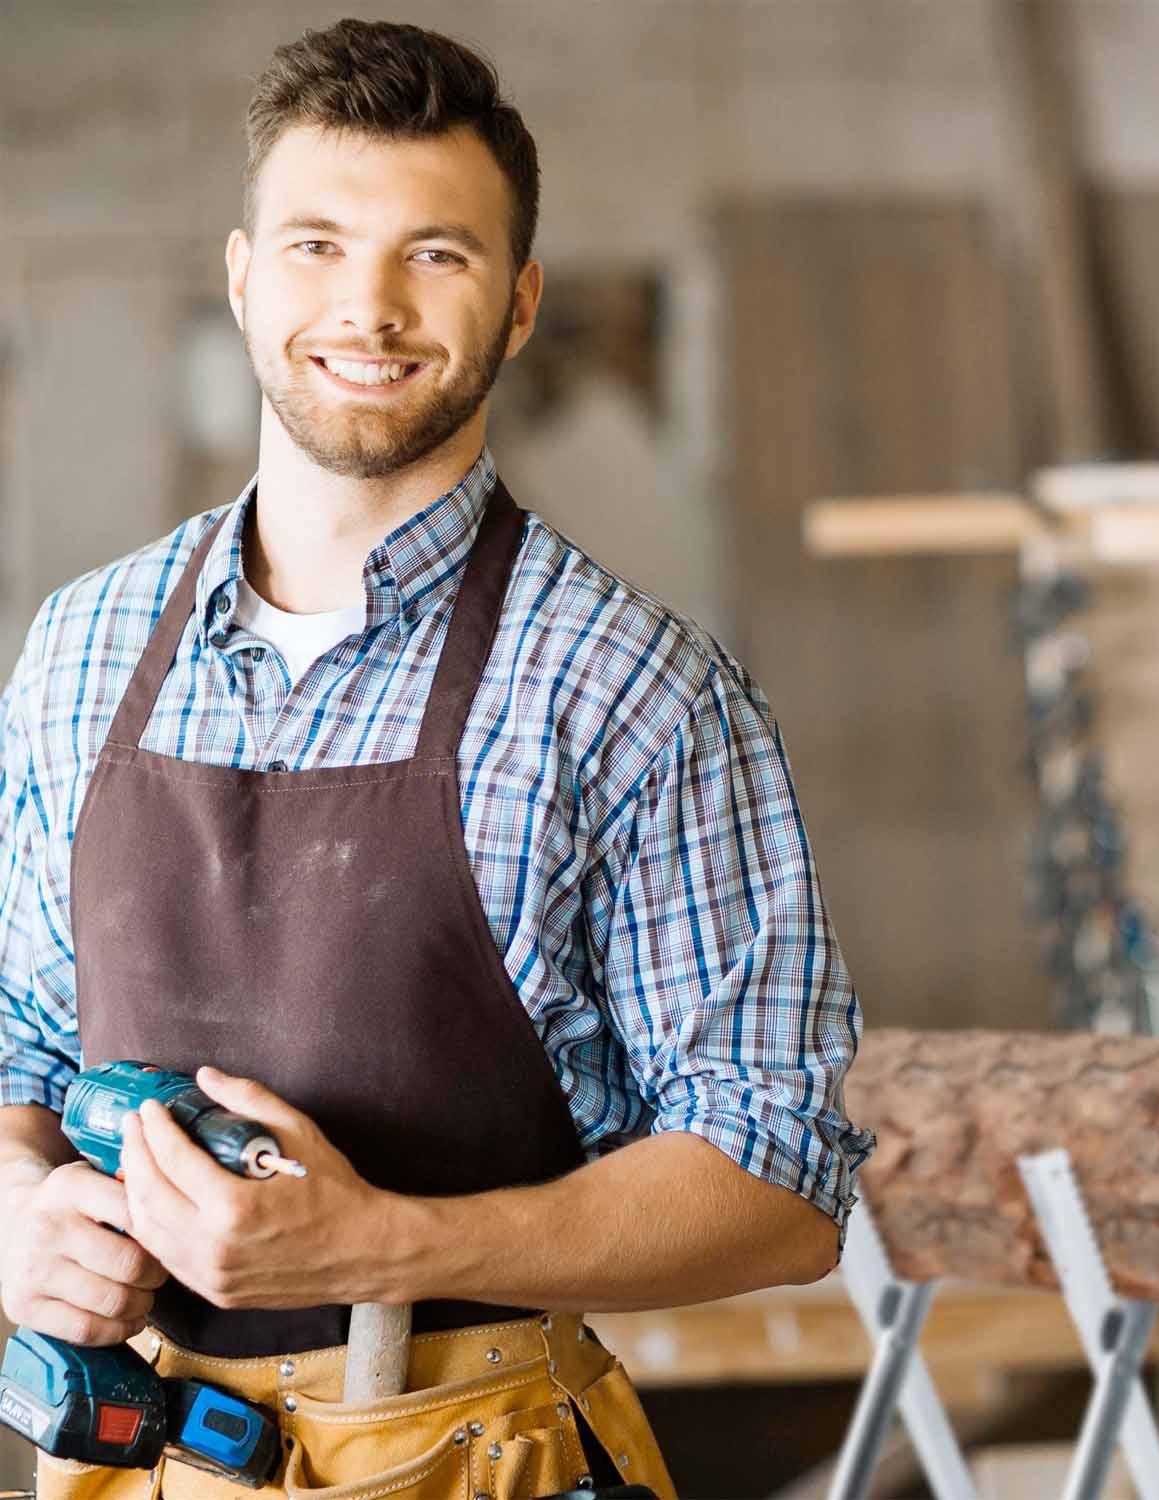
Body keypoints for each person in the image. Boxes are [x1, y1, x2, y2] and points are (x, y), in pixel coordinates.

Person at [0, 18, 874, 1498]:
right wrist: (18, 1211)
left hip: (477, 1458)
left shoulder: (631, 689)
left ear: (521, 302)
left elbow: (784, 1177)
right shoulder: (84, 648)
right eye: (320, 245)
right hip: (142, 1460)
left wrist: (390, 1245)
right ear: (241, 275)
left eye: (438, 255)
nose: (372, 306)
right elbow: (21, 1038)